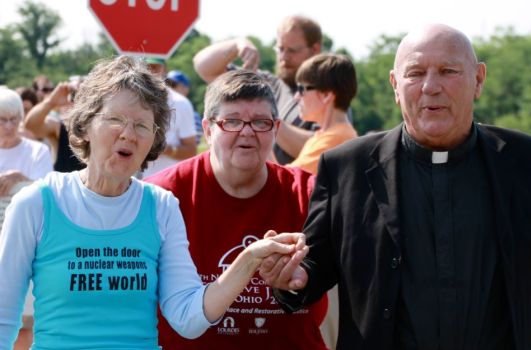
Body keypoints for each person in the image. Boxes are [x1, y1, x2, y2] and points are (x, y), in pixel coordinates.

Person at [260, 24, 531, 350]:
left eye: (448, 71)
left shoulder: (526, 162)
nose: (431, 87)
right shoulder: (347, 168)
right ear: (395, 85)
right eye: (415, 73)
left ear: (478, 79)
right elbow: (312, 269)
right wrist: (290, 277)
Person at [0, 56, 306, 349]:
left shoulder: (161, 206)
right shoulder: (36, 204)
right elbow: (3, 318)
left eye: (142, 125)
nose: (129, 134)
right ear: (85, 125)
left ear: (154, 141)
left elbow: (188, 318)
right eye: (115, 119)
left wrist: (249, 259)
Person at [145, 70, 328, 349]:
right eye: (231, 121)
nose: (247, 131)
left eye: (260, 122)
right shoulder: (162, 196)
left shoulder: (311, 194)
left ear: (276, 128)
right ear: (207, 129)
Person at [286, 52, 358, 349]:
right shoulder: (322, 136)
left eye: (303, 89)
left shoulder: (338, 138)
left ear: (327, 95)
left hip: (324, 265)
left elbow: (286, 182)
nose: (296, 96)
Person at [193, 15, 322, 164]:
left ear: (315, 49)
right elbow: (203, 66)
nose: (284, 57)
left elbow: (319, 149)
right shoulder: (269, 83)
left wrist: (266, 117)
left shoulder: (329, 95)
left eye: (292, 51)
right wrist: (238, 44)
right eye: (280, 49)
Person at [0, 87, 53, 350]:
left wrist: (19, 176)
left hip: (24, 245)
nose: (9, 126)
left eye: (14, 119)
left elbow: (47, 194)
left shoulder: (36, 151)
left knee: (23, 323)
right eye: (2, 119)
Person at [143, 58, 197, 177]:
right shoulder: (130, 100)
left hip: (169, 181)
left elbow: (191, 150)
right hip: (133, 183)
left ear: (165, 70)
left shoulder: (181, 103)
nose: (150, 71)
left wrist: (163, 148)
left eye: (155, 67)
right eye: (146, 67)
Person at [23, 80, 85, 172]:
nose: (77, 103)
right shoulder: (59, 128)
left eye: (84, 97)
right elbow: (31, 125)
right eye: (73, 95)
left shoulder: (105, 130)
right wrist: (51, 102)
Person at [166, 69, 203, 144]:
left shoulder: (194, 116)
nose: (170, 88)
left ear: (186, 89)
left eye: (173, 85)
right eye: (168, 84)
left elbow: (194, 143)